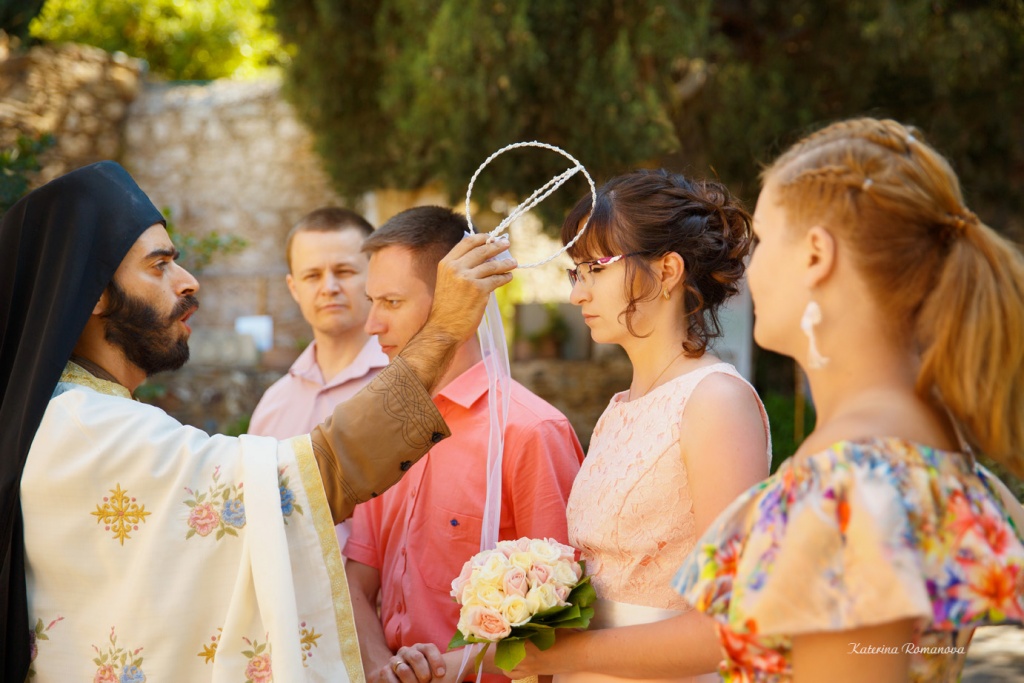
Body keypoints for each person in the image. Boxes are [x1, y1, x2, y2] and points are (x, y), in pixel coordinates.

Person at [0, 161, 516, 682]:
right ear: (94, 294)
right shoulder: (89, 428)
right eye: (159, 266)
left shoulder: (72, 415)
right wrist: (443, 329)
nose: (188, 281)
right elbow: (314, 475)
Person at [668, 117, 1024, 682]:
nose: (750, 270)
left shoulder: (848, 479)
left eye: (763, 241)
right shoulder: (939, 455)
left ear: (816, 255)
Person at [495, 169, 771, 683]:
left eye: (595, 269)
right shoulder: (619, 408)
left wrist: (561, 657)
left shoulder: (716, 402)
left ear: (667, 271)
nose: (577, 294)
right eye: (575, 273)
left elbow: (726, 625)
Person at [343, 206, 585, 683]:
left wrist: (432, 673)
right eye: (372, 301)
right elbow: (358, 578)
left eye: (391, 302)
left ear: (459, 301)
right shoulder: (382, 426)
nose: (371, 324)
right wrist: (381, 668)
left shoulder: (531, 432)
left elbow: (562, 624)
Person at [249, 207, 388, 551]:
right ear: (294, 288)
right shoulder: (273, 404)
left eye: (344, 271)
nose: (329, 287)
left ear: (375, 275)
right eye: (312, 275)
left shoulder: (404, 387)